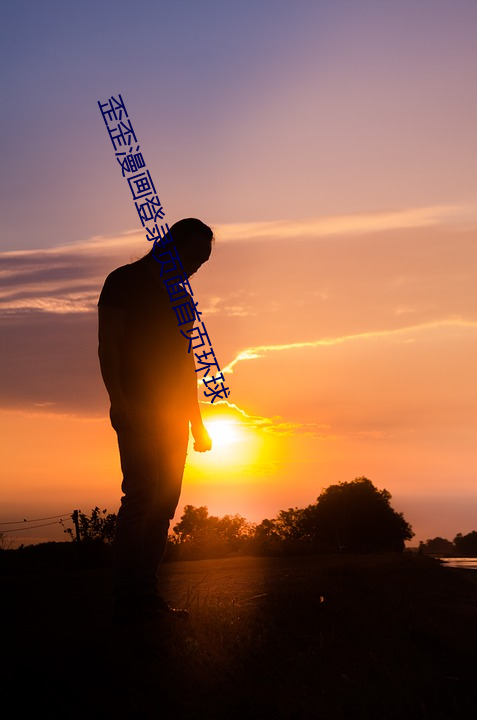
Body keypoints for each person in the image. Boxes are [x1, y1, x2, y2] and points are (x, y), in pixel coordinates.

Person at [98, 218, 213, 624]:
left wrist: (197, 423)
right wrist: (118, 401)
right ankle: (127, 599)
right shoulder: (123, 281)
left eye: (204, 261)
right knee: (141, 498)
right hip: (138, 408)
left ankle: (146, 596)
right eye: (195, 257)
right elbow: (107, 345)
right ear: (173, 246)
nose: (197, 267)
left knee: (163, 506)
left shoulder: (182, 299)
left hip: (173, 417)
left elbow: (186, 366)